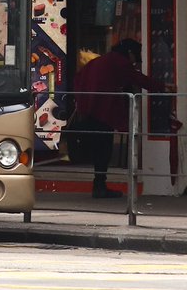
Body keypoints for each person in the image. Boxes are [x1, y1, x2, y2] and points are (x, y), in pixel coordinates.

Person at [71, 39, 173, 198]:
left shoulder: (100, 60)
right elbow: (137, 78)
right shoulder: (119, 62)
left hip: (89, 109)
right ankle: (99, 186)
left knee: (99, 149)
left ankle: (99, 185)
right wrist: (163, 87)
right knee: (104, 150)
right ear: (130, 53)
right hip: (103, 111)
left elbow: (78, 79)